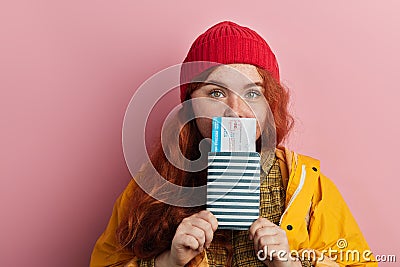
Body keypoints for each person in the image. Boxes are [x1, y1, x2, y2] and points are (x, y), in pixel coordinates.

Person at [90, 21, 377, 267]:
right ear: (191, 105)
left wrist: (291, 263)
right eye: (215, 93)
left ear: (270, 105)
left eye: (252, 94)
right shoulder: (154, 186)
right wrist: (167, 262)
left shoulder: (309, 187)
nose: (235, 110)